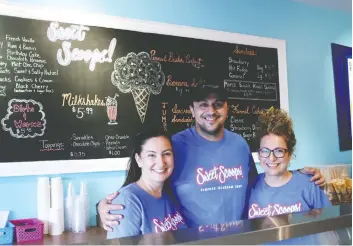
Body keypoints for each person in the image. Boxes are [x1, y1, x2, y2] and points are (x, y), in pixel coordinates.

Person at [98, 84, 325, 231]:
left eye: (218, 104)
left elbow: (263, 183)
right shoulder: (174, 145)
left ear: (227, 108)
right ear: (192, 110)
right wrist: (103, 206)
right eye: (203, 104)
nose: (211, 110)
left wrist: (298, 177)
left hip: (242, 241)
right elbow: (146, 183)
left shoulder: (239, 144)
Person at [248, 108, 335, 245]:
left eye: (279, 151)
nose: (271, 158)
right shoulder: (250, 186)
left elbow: (329, 229)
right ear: (259, 154)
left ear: (289, 154)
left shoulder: (310, 183)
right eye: (265, 151)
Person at [106, 129, 187, 239]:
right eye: (152, 155)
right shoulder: (128, 201)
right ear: (139, 159)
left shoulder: (169, 193)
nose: (161, 162)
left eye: (166, 154)